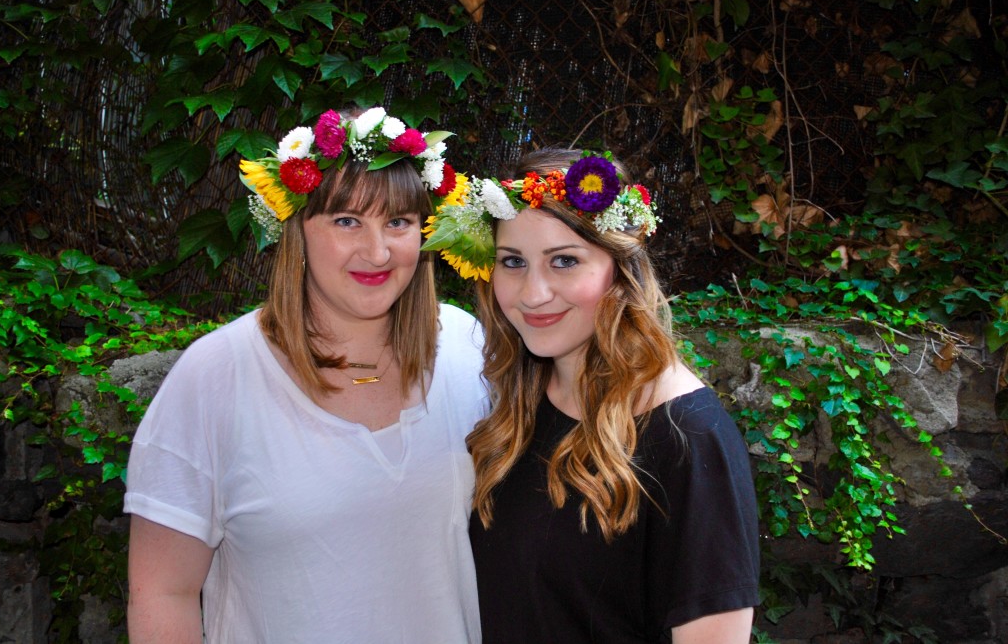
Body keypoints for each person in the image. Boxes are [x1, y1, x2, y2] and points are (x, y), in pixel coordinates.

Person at [124, 107, 487, 643]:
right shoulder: (217, 375)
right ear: (298, 230)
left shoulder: (468, 349)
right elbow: (162, 592)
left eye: (398, 222)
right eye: (347, 221)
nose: (378, 251)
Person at [423, 148, 760, 643]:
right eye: (512, 262)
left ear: (620, 271)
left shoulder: (687, 435)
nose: (533, 293)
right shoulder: (516, 400)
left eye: (564, 261)